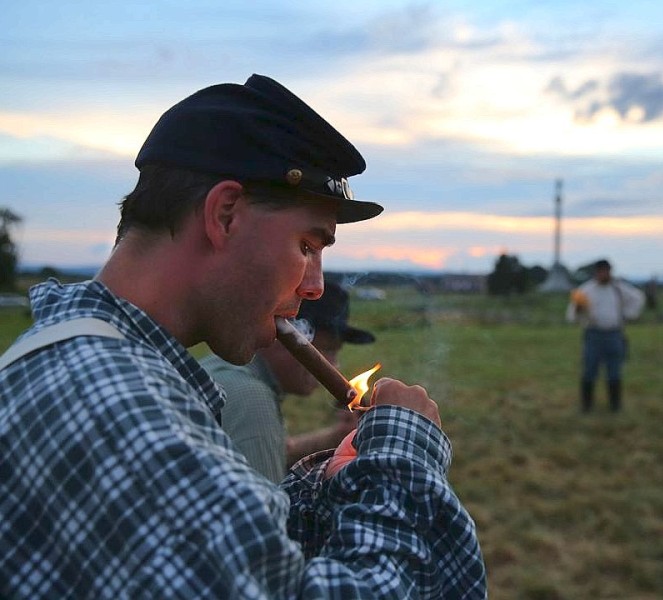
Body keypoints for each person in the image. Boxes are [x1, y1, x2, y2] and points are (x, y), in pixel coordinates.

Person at [0, 75, 486, 598]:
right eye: (307, 246)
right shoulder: (115, 403)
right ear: (224, 214)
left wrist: (323, 486)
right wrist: (402, 458)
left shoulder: (96, 366)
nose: (316, 285)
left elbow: (244, 562)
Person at [201, 280, 371, 483]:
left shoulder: (227, 373)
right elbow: (264, 509)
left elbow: (276, 451)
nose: (335, 365)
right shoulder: (252, 398)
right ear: (286, 336)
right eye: (327, 350)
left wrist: (339, 437)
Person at [566, 258, 645, 412]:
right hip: (593, 334)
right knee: (589, 370)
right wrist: (579, 310)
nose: (604, 274)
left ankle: (615, 405)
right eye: (601, 271)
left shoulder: (618, 288)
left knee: (614, 371)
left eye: (607, 271)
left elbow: (638, 298)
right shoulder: (586, 290)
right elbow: (571, 315)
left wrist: (628, 314)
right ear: (596, 272)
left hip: (614, 334)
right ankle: (586, 405)